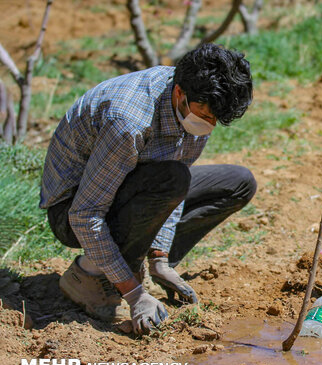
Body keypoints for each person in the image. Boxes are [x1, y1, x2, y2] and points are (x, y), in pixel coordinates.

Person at [39, 43, 256, 334]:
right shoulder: (129, 122)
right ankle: (90, 273)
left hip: (131, 184)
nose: (210, 126)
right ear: (180, 93)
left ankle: (141, 263)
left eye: (216, 120)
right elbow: (84, 214)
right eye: (205, 116)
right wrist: (134, 294)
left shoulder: (196, 100)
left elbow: (180, 172)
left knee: (238, 183)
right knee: (170, 180)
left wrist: (160, 258)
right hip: (73, 212)